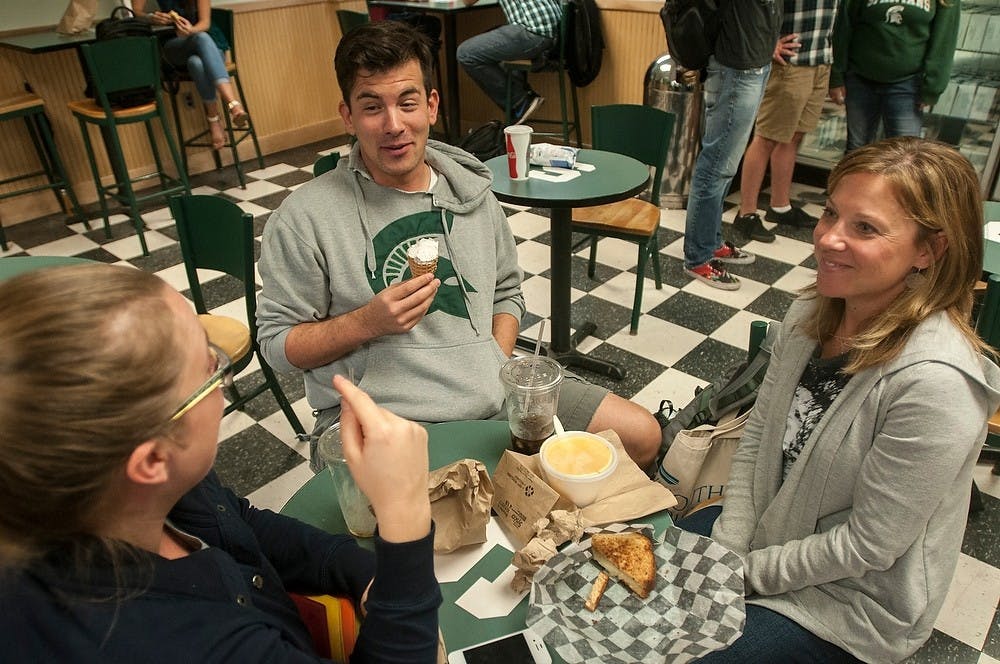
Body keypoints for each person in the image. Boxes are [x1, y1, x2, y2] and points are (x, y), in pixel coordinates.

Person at [256, 20, 660, 470]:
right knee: (444, 524)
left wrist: (493, 364)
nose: (394, 125)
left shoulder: (471, 191)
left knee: (642, 436)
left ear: (431, 105)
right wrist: (367, 322)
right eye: (372, 107)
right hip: (385, 414)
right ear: (348, 116)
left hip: (498, 388)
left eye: (407, 102)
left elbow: (507, 292)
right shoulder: (304, 218)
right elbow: (276, 345)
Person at [0, 264, 441, 662]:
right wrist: (404, 520)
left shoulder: (135, 491)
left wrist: (362, 571)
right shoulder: (184, 644)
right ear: (152, 459)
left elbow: (240, 524)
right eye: (212, 370)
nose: (223, 377)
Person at [678, 137, 1000, 662]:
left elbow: (868, 546)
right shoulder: (810, 317)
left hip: (850, 602)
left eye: (865, 228)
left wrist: (744, 574)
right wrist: (731, 547)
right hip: (766, 538)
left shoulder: (937, 385)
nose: (827, 239)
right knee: (634, 588)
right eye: (830, 213)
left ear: (930, 249)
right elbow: (759, 436)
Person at [682, 0, 783, 291]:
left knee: (726, 165)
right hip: (735, 65)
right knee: (716, 164)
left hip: (753, 62)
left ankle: (711, 243)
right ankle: (698, 256)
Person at [733, 0, 839, 244]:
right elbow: (754, 9)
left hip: (821, 59)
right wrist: (768, 44)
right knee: (767, 136)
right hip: (790, 63)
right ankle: (746, 213)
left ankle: (780, 206)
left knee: (794, 136)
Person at [829, 0, 960, 151]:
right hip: (860, 78)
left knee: (905, 153)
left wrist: (933, 87)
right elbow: (843, 28)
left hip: (908, 84)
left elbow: (944, 41)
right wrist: (836, 75)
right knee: (856, 149)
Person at [134, 0, 250, 151]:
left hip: (206, 41)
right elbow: (135, 12)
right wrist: (150, 17)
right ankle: (233, 105)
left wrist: (190, 31)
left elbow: (205, 23)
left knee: (196, 63)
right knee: (201, 39)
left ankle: (213, 120)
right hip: (173, 44)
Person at [455, 0, 561, 123]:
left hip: (535, 32)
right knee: (490, 43)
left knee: (466, 54)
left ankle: (521, 101)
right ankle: (520, 102)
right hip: (555, 30)